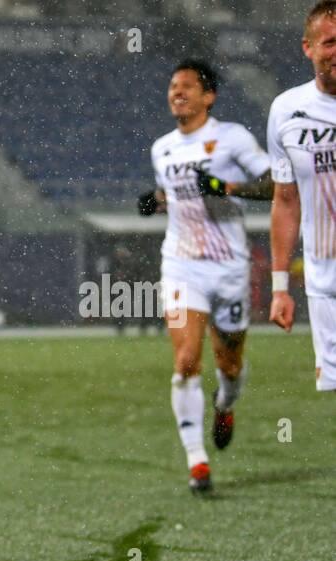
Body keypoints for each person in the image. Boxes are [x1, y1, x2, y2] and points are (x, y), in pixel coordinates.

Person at [137, 59, 273, 493]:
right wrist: (156, 202)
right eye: (173, 85)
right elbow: (176, 195)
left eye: (187, 86)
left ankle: (226, 404)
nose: (177, 91)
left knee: (228, 363)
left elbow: (275, 183)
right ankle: (197, 462)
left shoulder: (231, 138)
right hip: (182, 265)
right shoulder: (162, 148)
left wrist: (227, 188)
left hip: (230, 267)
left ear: (208, 96)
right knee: (186, 360)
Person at [267, 0, 336, 396]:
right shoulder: (286, 111)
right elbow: (286, 200)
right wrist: (280, 288)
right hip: (324, 282)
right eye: (328, 42)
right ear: (308, 48)